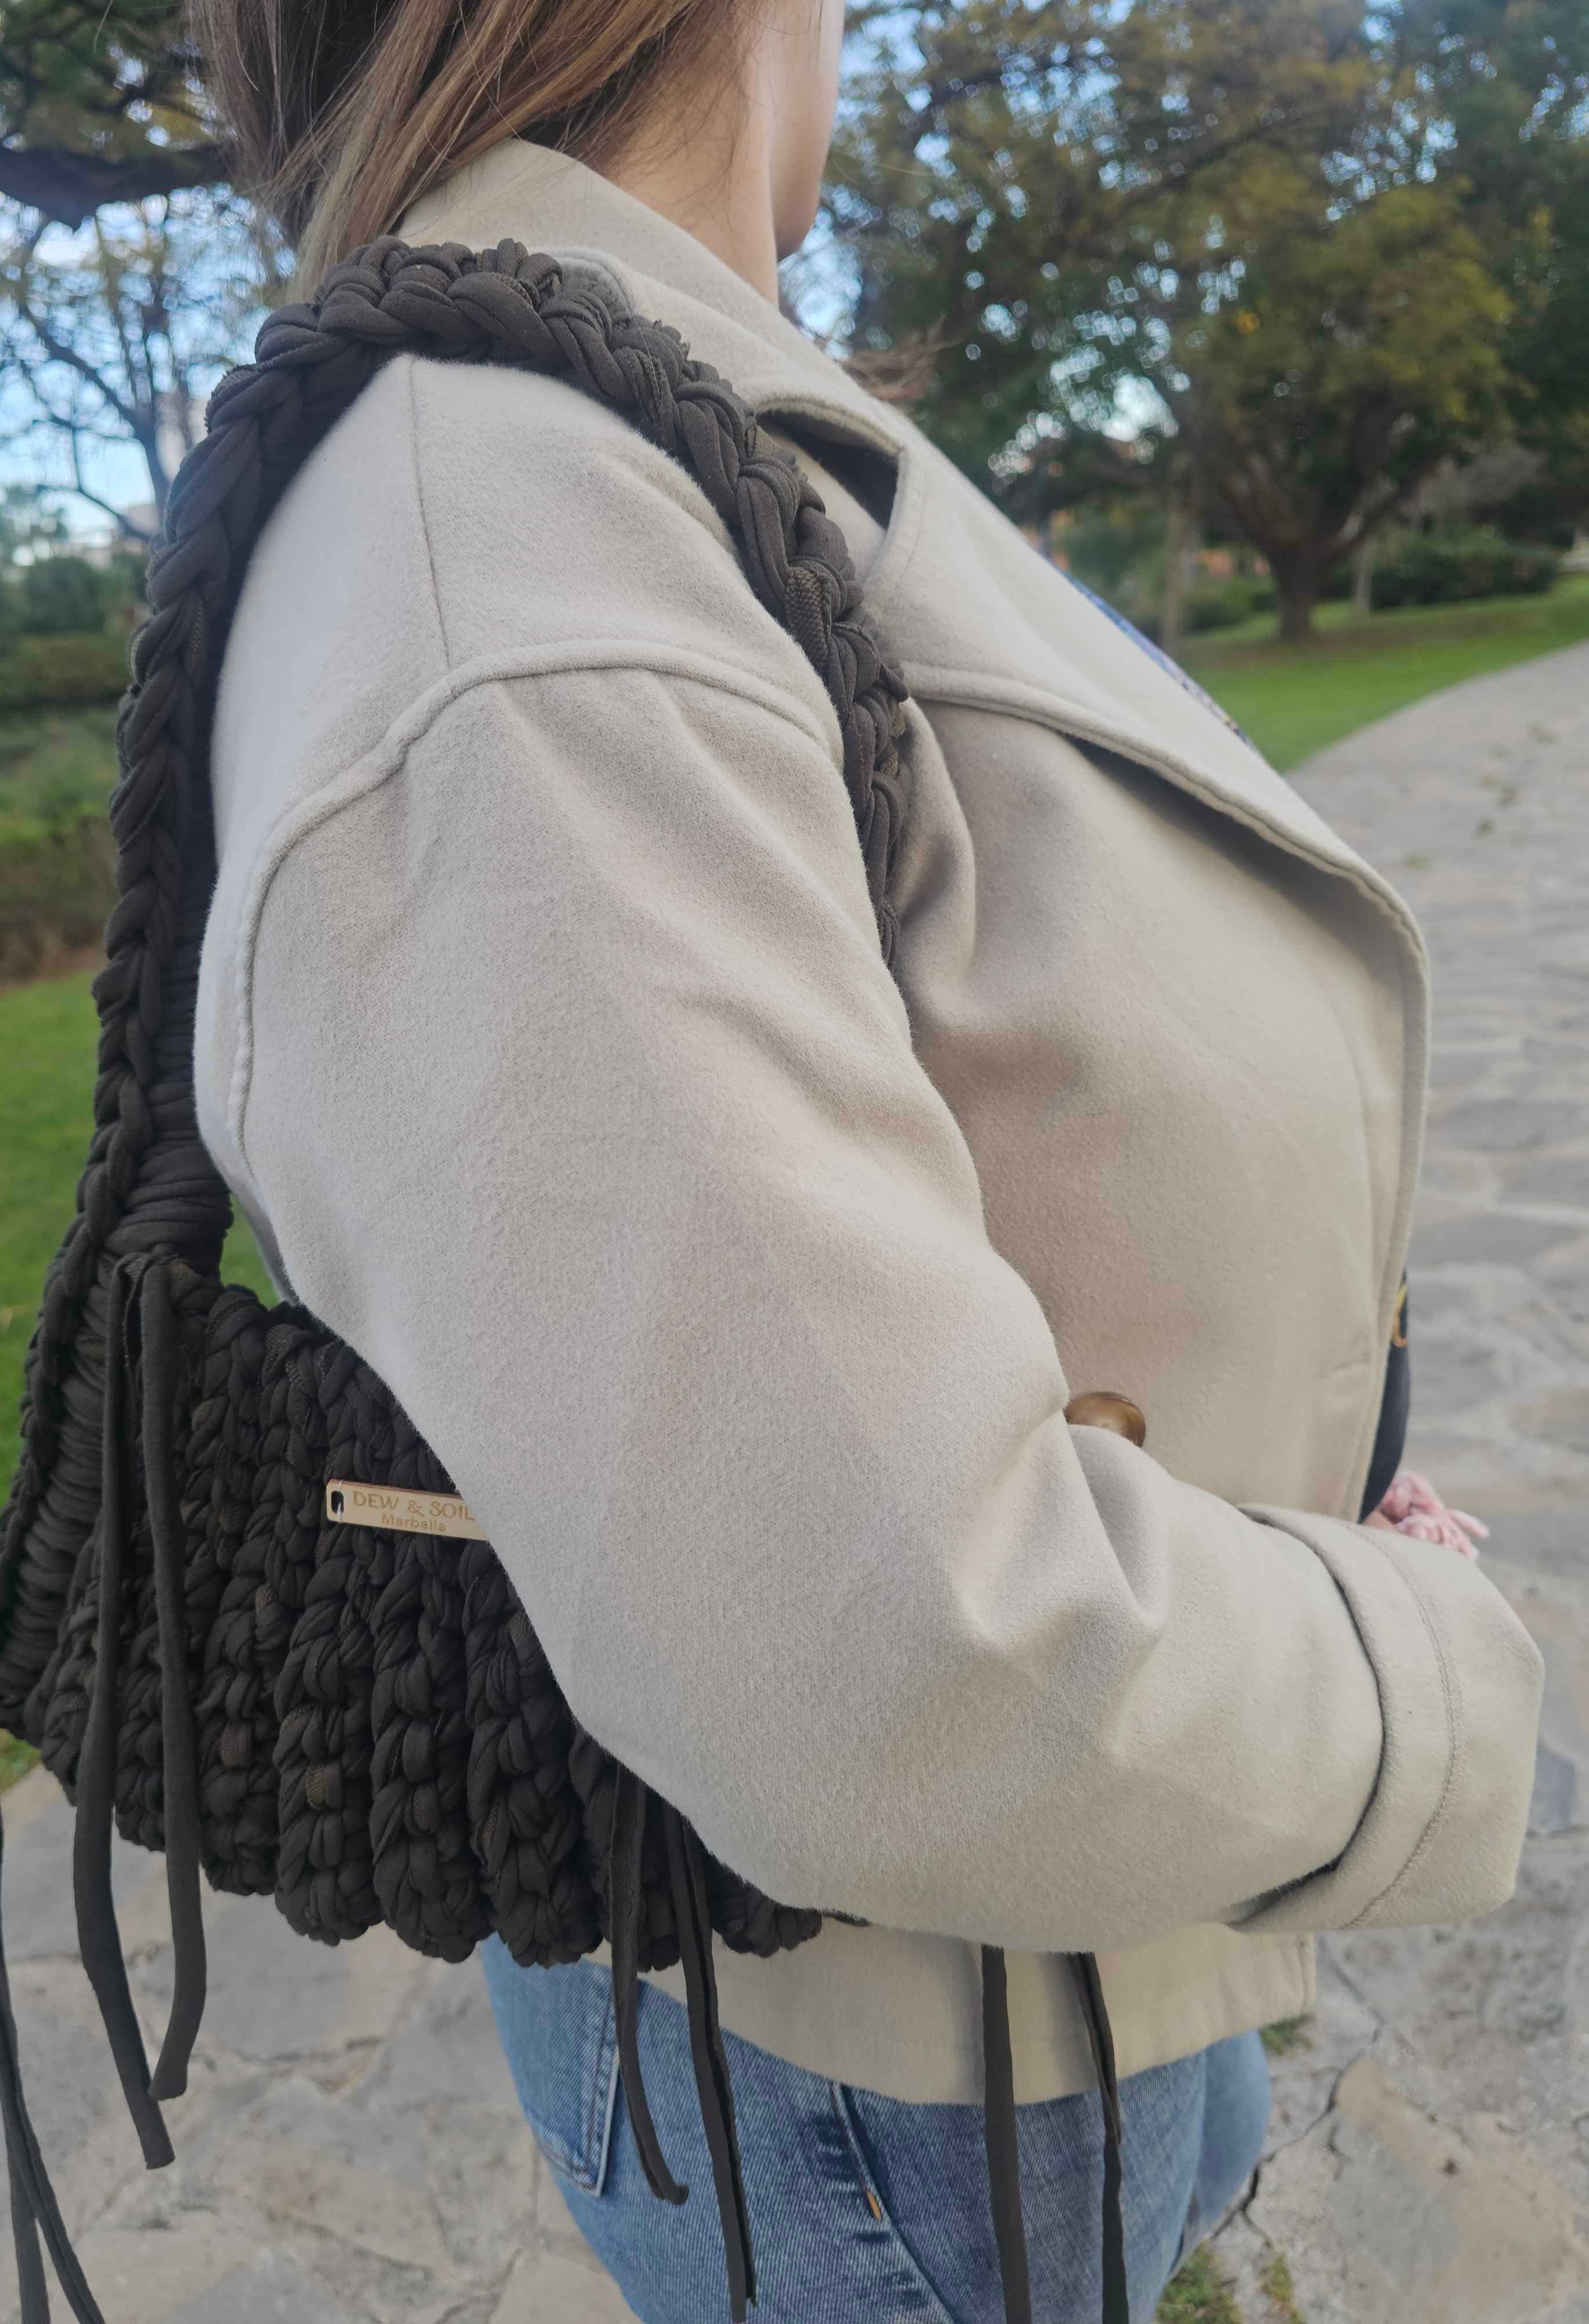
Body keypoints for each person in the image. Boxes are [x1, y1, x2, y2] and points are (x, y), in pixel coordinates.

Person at [191, 1, 1544, 2316]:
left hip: (1062, 1929)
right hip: (894, 2065)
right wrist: (1432, 1669)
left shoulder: (643, 430)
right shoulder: (505, 545)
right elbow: (883, 1642)